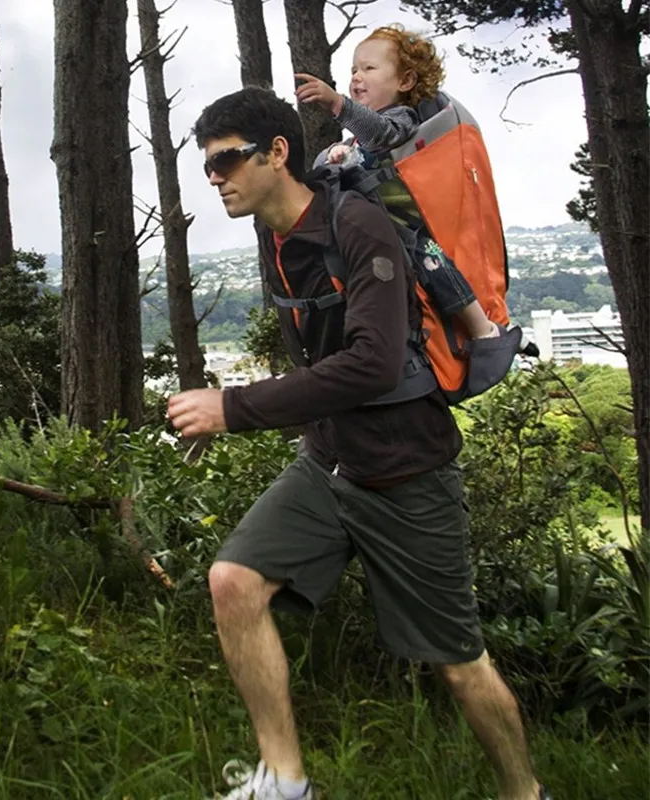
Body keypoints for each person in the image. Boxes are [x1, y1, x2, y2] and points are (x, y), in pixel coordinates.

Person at [168, 86, 551, 800]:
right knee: (234, 582)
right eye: (207, 165)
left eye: (227, 160)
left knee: (460, 663)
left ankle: (525, 792)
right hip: (329, 465)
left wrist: (236, 407)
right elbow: (318, 362)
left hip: (407, 473)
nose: (215, 177)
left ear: (278, 153)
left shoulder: (362, 223)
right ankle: (284, 782)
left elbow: (373, 363)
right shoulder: (275, 239)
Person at [294, 23, 501, 342]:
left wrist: (337, 103)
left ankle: (480, 327)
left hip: (409, 225)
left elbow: (379, 135)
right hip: (374, 226)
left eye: (369, 68)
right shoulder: (357, 138)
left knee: (430, 258)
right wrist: (339, 153)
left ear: (405, 81)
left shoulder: (402, 118)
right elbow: (361, 149)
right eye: (353, 69)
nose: (356, 77)